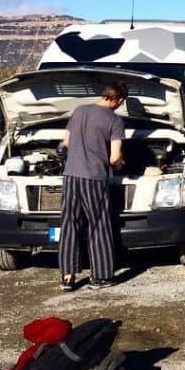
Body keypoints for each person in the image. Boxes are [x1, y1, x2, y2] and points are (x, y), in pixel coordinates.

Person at [58, 80, 127, 291]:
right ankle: (100, 276)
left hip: (70, 175)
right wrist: (121, 164)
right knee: (98, 224)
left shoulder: (79, 111)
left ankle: (67, 277)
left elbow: (65, 143)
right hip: (94, 178)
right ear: (119, 100)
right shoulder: (115, 121)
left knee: (69, 222)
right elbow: (115, 157)